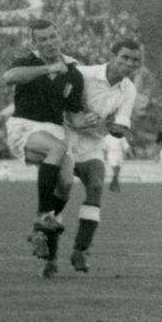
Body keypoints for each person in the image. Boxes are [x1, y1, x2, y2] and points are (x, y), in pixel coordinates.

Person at [2, 19, 84, 276]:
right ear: (34, 44)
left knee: (67, 183)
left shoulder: (73, 72)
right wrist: (48, 68)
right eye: (42, 40)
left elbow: (74, 114)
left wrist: (93, 120)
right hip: (25, 127)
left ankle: (46, 246)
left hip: (56, 130)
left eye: (52, 37)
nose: (49, 42)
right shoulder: (27, 62)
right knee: (56, 150)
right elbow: (9, 77)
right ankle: (41, 216)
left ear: (59, 36)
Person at [60, 39, 141, 275]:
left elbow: (121, 127)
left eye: (134, 60)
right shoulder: (84, 74)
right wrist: (80, 115)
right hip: (64, 137)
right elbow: (60, 99)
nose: (129, 63)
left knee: (96, 186)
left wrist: (113, 126)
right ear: (113, 55)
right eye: (125, 57)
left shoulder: (129, 90)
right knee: (62, 190)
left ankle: (81, 250)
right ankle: (50, 251)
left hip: (92, 143)